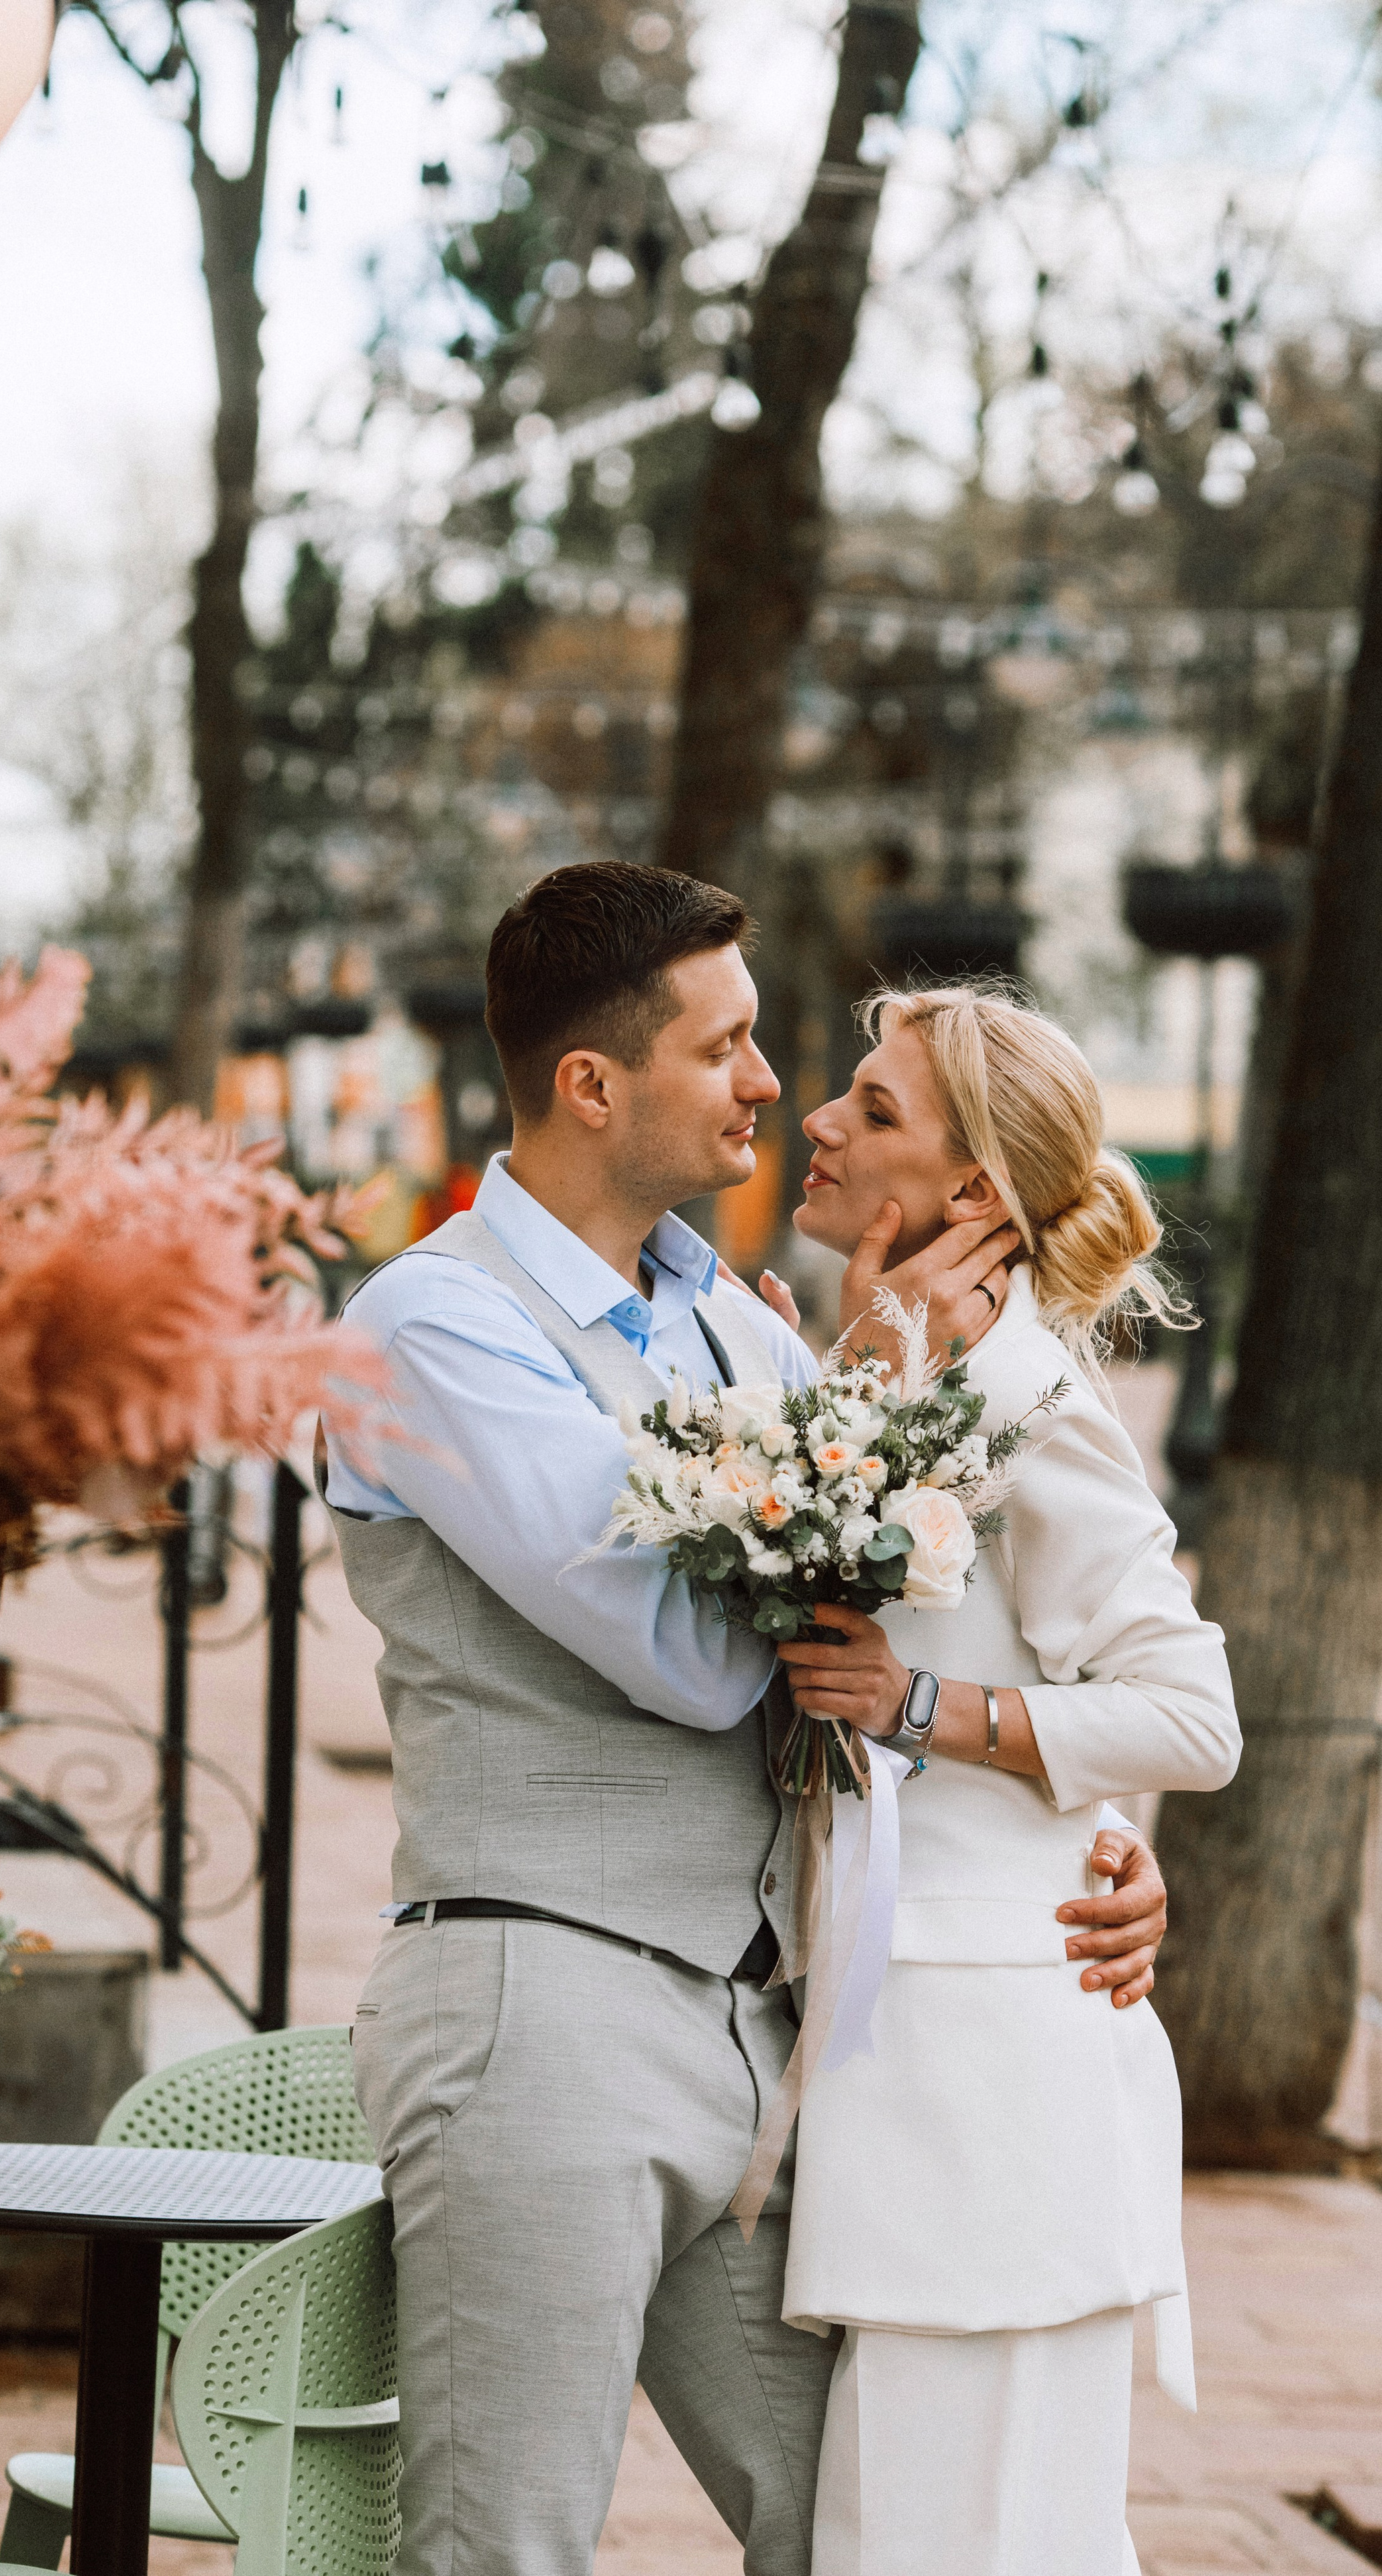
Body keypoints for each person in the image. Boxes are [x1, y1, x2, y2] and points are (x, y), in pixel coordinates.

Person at [321, 864, 1170, 2576]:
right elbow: (690, 1650)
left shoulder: (737, 1324)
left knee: (855, 2529)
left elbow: (923, 1614)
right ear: (591, 1082)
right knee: (504, 2546)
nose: (768, 1085)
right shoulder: (433, 1328)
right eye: (725, 1047)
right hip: (534, 2005)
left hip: (764, 2047)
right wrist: (874, 1421)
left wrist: (1093, 1846)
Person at [769, 984, 1240, 2576]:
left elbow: (1191, 1714)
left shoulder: (1034, 1403)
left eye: (872, 1109)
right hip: (894, 2055)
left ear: (973, 1194)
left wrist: (925, 1711)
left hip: (980, 2077)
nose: (821, 1123)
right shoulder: (891, 1373)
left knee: (966, 2537)